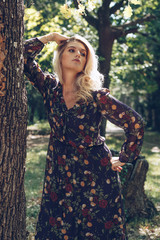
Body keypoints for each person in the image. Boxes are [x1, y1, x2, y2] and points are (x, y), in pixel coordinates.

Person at [24, 32, 144, 240]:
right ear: (60, 55)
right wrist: (50, 37)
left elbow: (135, 123)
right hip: (59, 174)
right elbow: (22, 56)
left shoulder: (95, 96)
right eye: (72, 50)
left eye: (83, 53)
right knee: (59, 229)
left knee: (96, 232)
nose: (78, 55)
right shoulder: (49, 87)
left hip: (95, 175)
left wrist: (125, 157)